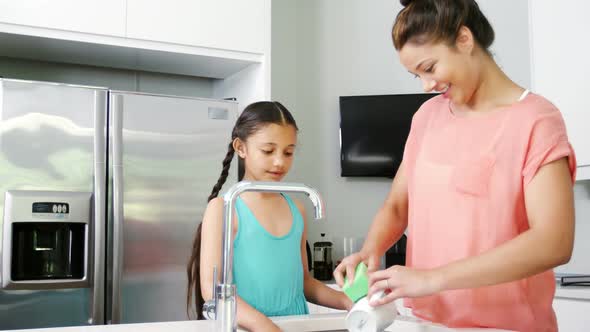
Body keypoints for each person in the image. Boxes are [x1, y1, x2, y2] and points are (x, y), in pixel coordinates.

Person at [334, 1, 576, 331]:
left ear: (464, 39)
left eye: (430, 67)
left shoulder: (536, 120)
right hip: (427, 323)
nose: (425, 85)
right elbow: (397, 205)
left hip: (508, 326)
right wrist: (370, 250)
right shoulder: (427, 118)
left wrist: (432, 279)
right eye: (416, 74)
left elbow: (554, 241)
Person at [187, 101, 352, 331]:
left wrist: (346, 301)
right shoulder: (222, 208)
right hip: (248, 327)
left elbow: (304, 282)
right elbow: (212, 290)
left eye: (288, 152)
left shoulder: (297, 209)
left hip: (295, 325)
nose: (280, 162)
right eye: (268, 151)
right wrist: (266, 327)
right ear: (240, 147)